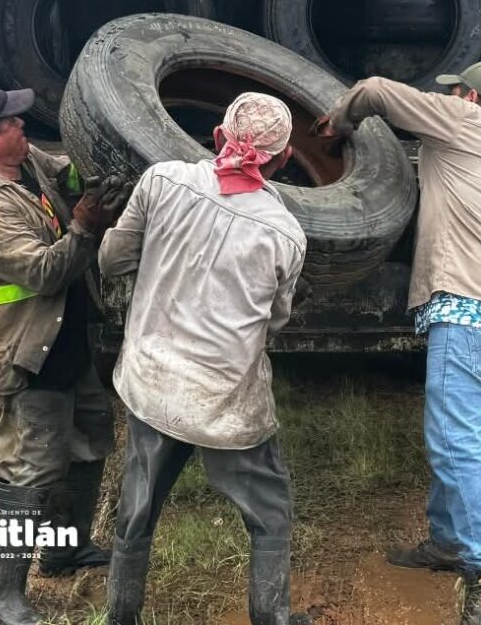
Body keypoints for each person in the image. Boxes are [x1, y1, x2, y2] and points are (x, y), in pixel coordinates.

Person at [313, 63, 481, 625]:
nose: (448, 97)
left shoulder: (466, 122)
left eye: (454, 91)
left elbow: (375, 91)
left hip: (470, 310)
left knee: (455, 442)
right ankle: (448, 542)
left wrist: (337, 125)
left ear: (470, 97)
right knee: (456, 434)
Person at [99, 92, 310, 625]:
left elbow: (112, 260)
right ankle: (272, 618)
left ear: (218, 136)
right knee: (270, 515)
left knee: (137, 508)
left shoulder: (162, 181)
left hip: (151, 382)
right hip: (226, 401)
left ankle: (121, 616)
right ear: (285, 159)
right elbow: (274, 322)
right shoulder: (286, 233)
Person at [0, 79, 128, 625]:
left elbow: (63, 172)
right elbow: (45, 272)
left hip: (62, 334)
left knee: (90, 437)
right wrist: (85, 225)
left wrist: (94, 175)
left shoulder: (22, 163)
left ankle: (66, 548)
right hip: (24, 350)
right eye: (11, 121)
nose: (23, 124)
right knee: (31, 464)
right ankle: (3, 594)